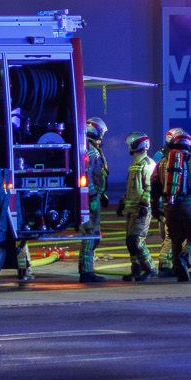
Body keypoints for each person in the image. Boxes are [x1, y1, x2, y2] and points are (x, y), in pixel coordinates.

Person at [152, 127, 191, 282]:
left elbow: (154, 186)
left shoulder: (163, 163)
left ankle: (178, 268)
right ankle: (186, 258)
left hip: (169, 206)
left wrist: (154, 207)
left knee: (175, 237)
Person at [120, 131, 157, 281]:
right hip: (131, 209)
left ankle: (150, 268)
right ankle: (135, 270)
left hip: (141, 209)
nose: (128, 147)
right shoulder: (135, 164)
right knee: (130, 242)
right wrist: (123, 202)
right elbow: (131, 187)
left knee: (137, 240)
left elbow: (149, 187)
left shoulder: (147, 164)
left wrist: (144, 205)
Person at [78, 117, 110, 283]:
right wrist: (93, 196)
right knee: (91, 234)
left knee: (92, 234)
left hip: (93, 196)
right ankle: (87, 271)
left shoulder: (87, 148)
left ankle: (86, 268)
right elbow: (90, 176)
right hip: (91, 198)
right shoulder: (91, 151)